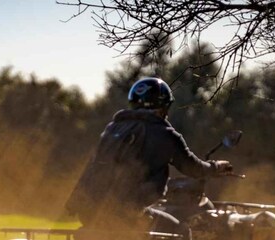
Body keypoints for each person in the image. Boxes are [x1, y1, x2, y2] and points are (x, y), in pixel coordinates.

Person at [66, 77, 233, 228]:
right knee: (180, 230)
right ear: (163, 106)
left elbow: (93, 164)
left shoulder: (114, 128)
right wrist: (216, 167)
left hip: (89, 213)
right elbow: (193, 168)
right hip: (127, 214)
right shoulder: (164, 133)